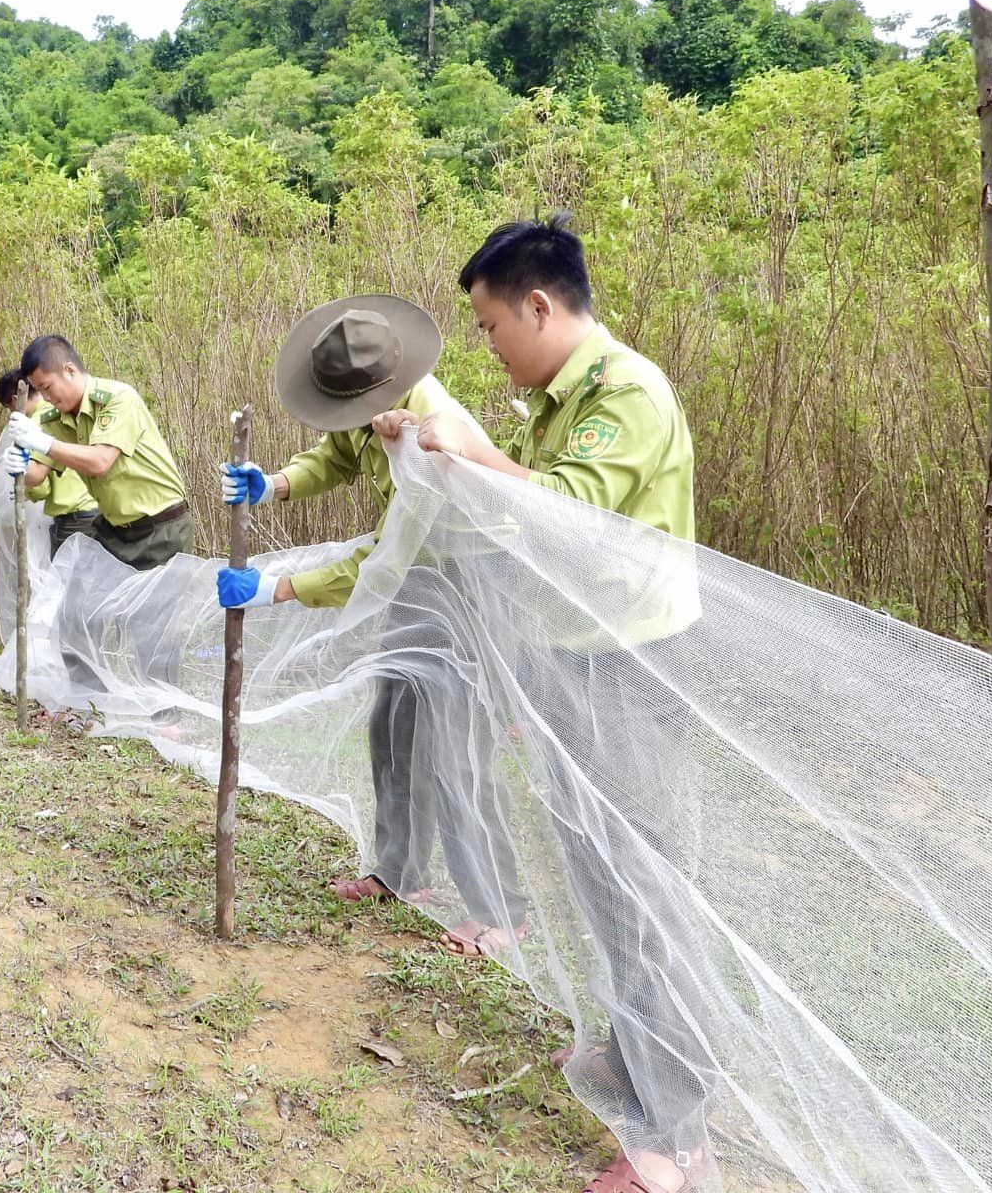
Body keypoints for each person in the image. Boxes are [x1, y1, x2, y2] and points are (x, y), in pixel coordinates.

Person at [391, 214, 706, 1193]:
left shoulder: (626, 395)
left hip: (633, 670)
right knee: (602, 878)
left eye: (489, 327)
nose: (487, 345)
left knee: (647, 886)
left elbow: (570, 514)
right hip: (574, 666)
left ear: (537, 304)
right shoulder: (561, 401)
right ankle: (636, 1051)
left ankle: (674, 1133)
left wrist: (470, 451)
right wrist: (443, 452)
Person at [211, 296, 524, 960]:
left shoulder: (429, 427)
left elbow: (382, 556)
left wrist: (280, 587)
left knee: (453, 748)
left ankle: (501, 908)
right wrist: (273, 485)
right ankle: (398, 870)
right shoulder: (369, 405)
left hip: (467, 579)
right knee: (392, 722)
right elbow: (337, 457)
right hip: (418, 579)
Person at [5, 336, 190, 571]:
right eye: (40, 391)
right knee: (84, 600)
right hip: (114, 532)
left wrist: (43, 442)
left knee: (160, 607)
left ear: (69, 371)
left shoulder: (119, 398)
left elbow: (100, 461)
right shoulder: (55, 418)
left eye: (48, 388)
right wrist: (18, 465)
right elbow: (37, 474)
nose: (47, 398)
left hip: (162, 529)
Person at [0, 367, 98, 553]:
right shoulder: (63, 411)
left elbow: (40, 485)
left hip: (72, 518)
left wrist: (23, 483)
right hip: (95, 509)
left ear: (16, 400)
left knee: (67, 580)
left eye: (9, 408)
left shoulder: (35, 425)